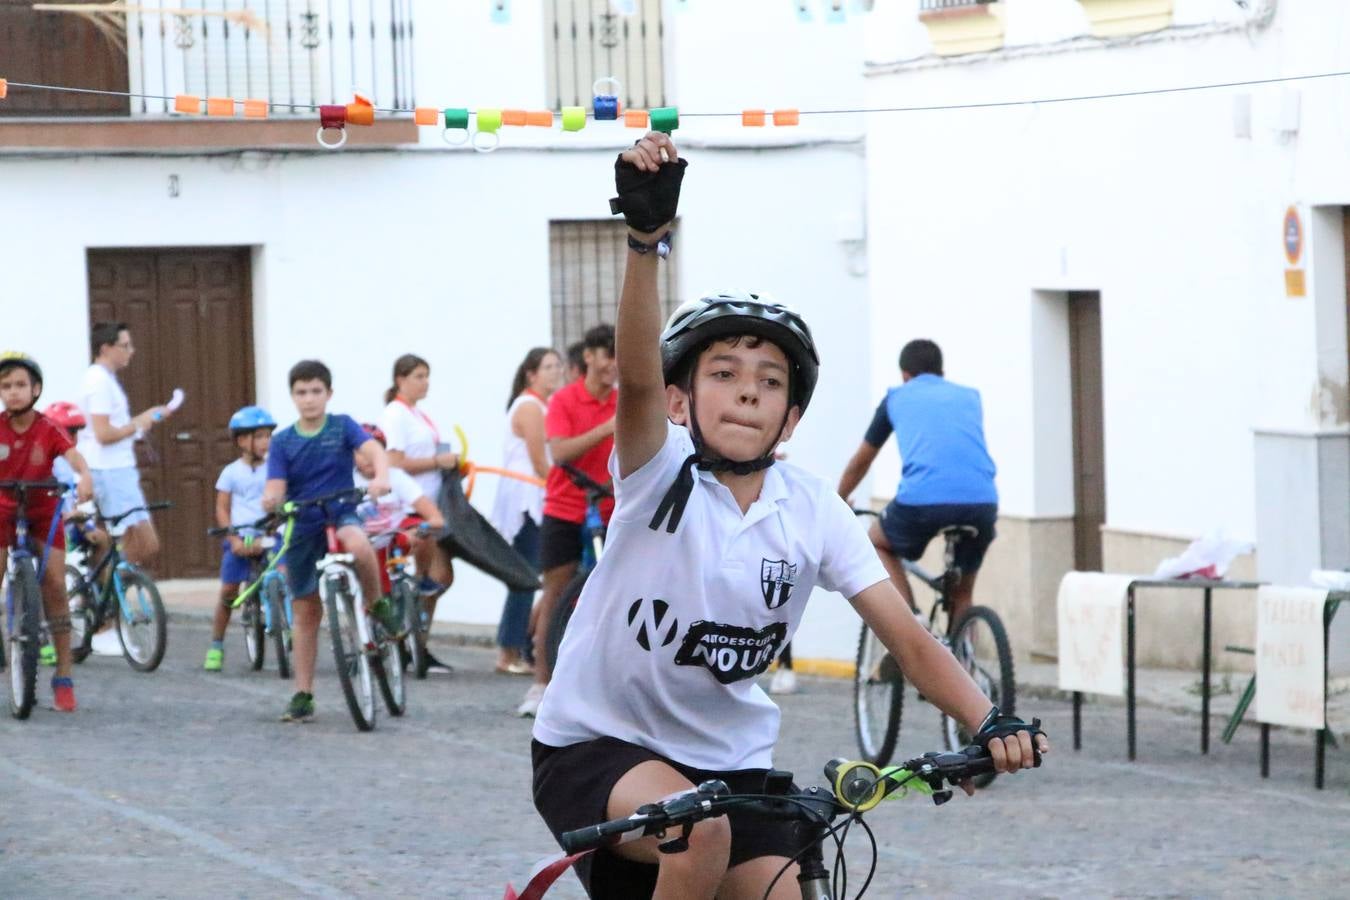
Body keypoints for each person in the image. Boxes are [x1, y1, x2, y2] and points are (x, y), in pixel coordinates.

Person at [529, 133, 1047, 899]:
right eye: (725, 374)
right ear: (681, 402)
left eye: (771, 382)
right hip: (601, 749)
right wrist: (646, 243)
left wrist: (988, 722)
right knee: (695, 827)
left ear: (792, 417)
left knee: (782, 887)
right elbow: (635, 383)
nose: (748, 392)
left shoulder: (810, 508)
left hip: (730, 764)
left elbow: (906, 635)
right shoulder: (655, 469)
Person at [262, 360, 398, 723]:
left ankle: (375, 601)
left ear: (329, 394)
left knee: (357, 542)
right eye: (301, 392)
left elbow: (373, 451)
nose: (309, 399)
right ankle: (303, 693)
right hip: (303, 523)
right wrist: (272, 500)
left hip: (340, 510)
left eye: (316, 391)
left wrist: (381, 476)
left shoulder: (342, 426)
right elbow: (274, 485)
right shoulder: (282, 442)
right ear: (292, 397)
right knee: (305, 611)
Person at [836, 339, 998, 630]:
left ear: (905, 375)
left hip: (922, 502)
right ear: (942, 372)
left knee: (877, 543)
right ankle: (965, 665)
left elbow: (862, 460)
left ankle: (913, 621)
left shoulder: (897, 397)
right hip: (982, 503)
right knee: (962, 594)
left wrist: (840, 499)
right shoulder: (969, 397)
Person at [517, 324, 617, 717]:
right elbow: (560, 452)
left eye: (619, 357)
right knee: (556, 595)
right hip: (564, 507)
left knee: (614, 599)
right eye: (608, 354)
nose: (614, 365)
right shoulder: (563, 400)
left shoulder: (625, 400)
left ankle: (606, 688)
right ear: (589, 357)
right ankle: (541, 684)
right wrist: (607, 427)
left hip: (610, 508)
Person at [0, 353, 94, 712]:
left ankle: (64, 675)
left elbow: (72, 456)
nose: (13, 392)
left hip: (42, 508)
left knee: (54, 584)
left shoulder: (48, 428)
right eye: (6, 386)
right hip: (3, 507)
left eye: (20, 385)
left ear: (35, 389)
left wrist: (85, 476)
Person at [379, 353, 458, 674]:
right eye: (418, 376)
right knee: (435, 576)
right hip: (410, 506)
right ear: (401, 379)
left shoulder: (417, 414)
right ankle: (407, 641)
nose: (425, 382)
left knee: (439, 576)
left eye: (427, 376)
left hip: (430, 502)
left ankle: (416, 642)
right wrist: (437, 463)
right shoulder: (396, 414)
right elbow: (394, 463)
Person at [490, 347, 563, 675]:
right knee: (524, 576)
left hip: (533, 496)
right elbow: (539, 462)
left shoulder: (541, 405)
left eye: (557, 366)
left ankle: (520, 643)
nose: (555, 371)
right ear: (531, 374)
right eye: (548, 366)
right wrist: (562, 490)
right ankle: (509, 652)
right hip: (527, 501)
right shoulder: (531, 407)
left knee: (532, 575)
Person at [77, 322, 171, 570]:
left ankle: (104, 594)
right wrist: (141, 421)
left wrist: (139, 423)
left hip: (114, 468)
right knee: (144, 542)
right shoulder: (98, 381)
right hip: (110, 469)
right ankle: (108, 588)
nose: (131, 350)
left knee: (110, 540)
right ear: (106, 348)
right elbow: (103, 433)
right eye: (125, 345)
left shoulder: (103, 379)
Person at [204, 406, 276, 672]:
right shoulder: (231, 472)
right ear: (242, 441)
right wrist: (233, 538)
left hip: (269, 534)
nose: (265, 442)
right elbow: (222, 508)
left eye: (268, 436)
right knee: (228, 591)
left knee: (285, 573)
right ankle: (216, 644)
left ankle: (287, 626)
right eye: (259, 436)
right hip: (242, 536)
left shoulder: (275, 468)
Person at [41, 402, 109, 667]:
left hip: (71, 523)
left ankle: (96, 596)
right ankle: (43, 635)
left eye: (76, 432)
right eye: (66, 431)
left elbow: (76, 498)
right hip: (48, 525)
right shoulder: (48, 461)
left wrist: (82, 515)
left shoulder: (71, 462)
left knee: (103, 540)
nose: (72, 438)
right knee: (44, 576)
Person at [354, 423, 450, 591]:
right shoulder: (346, 479)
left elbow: (430, 511)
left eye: (375, 451)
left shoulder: (395, 477)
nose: (369, 458)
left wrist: (430, 524)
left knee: (424, 532)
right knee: (375, 601)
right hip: (362, 542)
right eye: (362, 452)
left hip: (396, 536)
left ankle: (421, 577)